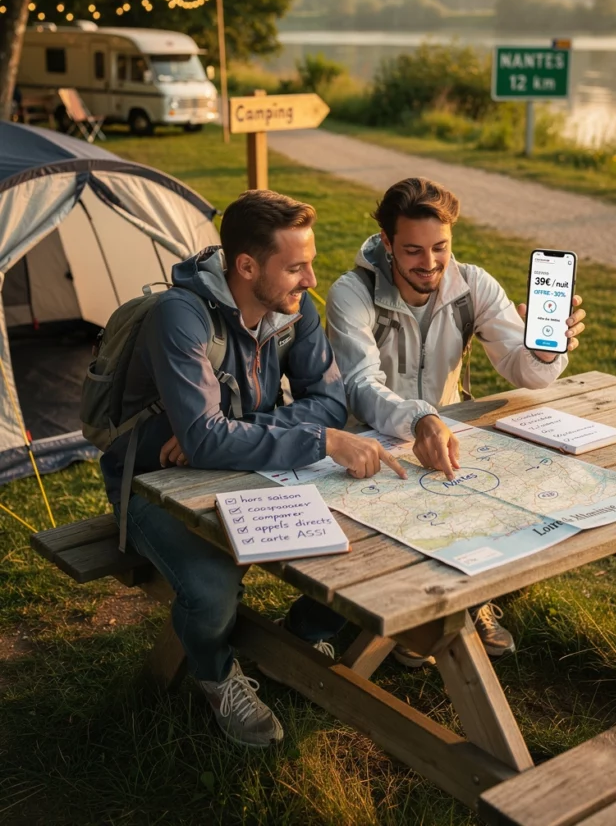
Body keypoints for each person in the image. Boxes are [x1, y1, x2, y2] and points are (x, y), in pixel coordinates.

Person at [101, 189, 404, 748]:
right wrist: (303, 438)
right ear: (246, 266)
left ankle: (305, 636)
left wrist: (231, 433)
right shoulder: (179, 317)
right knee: (213, 583)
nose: (311, 280)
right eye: (295, 267)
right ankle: (216, 675)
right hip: (150, 483)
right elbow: (210, 438)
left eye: (309, 263)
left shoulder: (295, 310)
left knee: (371, 539)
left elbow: (330, 401)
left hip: (247, 469)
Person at [326, 177, 587, 665]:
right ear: (386, 243)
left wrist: (546, 351)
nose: (429, 264)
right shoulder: (351, 293)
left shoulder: (474, 285)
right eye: (412, 251)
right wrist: (422, 417)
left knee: (499, 494)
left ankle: (467, 605)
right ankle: (414, 618)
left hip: (447, 436)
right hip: (370, 444)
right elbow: (359, 385)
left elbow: (525, 372)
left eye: (440, 248)